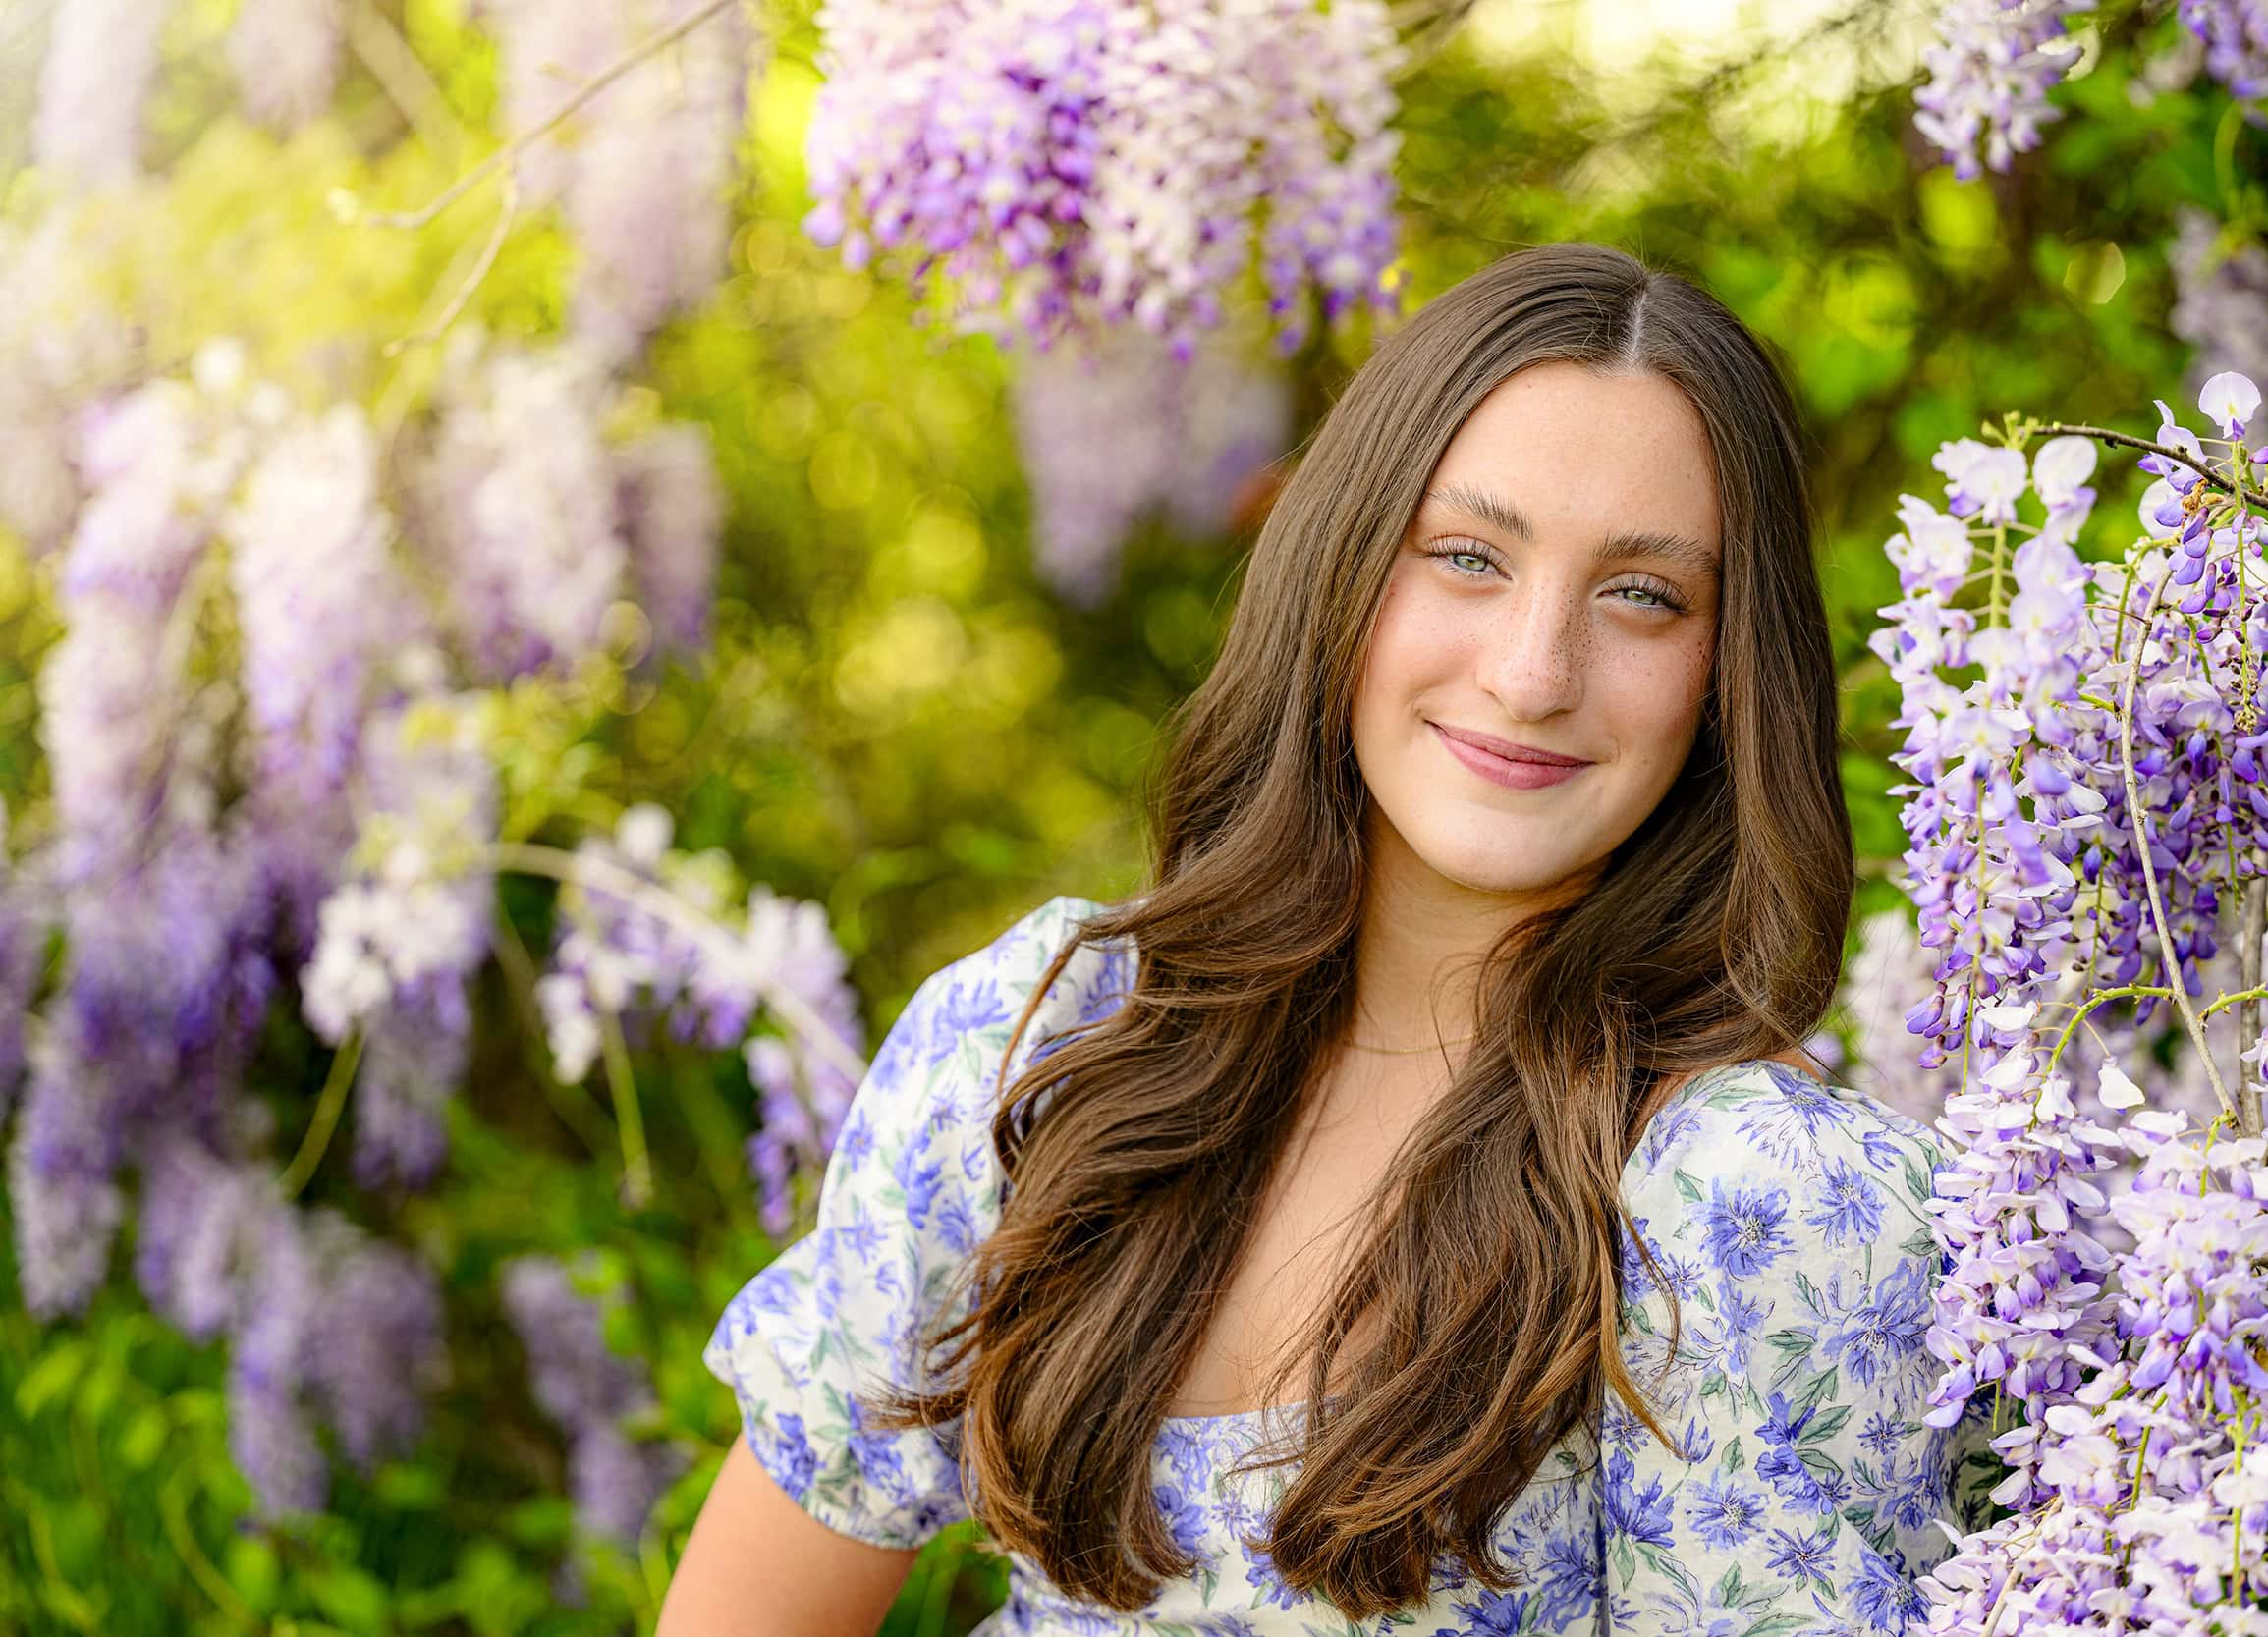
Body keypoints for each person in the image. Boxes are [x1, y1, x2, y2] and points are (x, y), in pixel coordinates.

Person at [658, 242, 1989, 1637]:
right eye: (1468, 557)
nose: (1534, 674)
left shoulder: (1750, 1202)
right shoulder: (1056, 1041)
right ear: (1342, 571)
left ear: (1728, 674)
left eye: (1642, 594)